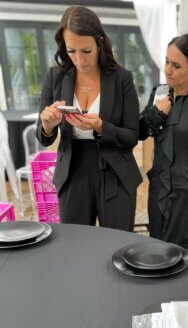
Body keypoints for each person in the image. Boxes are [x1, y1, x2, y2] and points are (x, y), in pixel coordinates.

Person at [37, 5, 141, 230]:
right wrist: (47, 125)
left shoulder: (121, 78)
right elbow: (43, 137)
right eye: (71, 50)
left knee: (117, 246)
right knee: (75, 246)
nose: (79, 59)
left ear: (99, 42)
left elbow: (133, 136)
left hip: (114, 171)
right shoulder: (55, 77)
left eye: (86, 51)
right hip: (73, 171)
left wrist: (102, 126)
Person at [139, 33, 188, 252]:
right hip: (159, 190)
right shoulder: (160, 93)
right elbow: (140, 131)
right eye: (167, 61)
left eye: (176, 65)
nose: (167, 69)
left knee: (184, 259)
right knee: (158, 251)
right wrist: (157, 113)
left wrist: (186, 183)